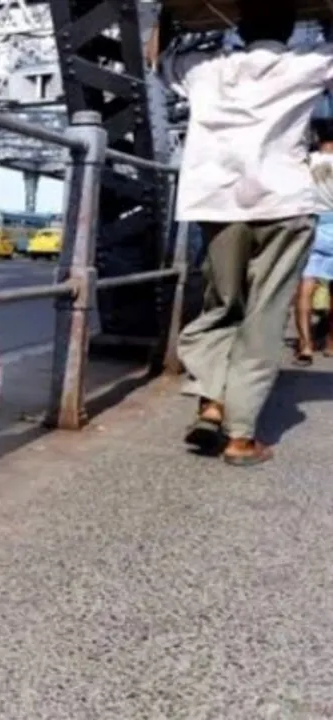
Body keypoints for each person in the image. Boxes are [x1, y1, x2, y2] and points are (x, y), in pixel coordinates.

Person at [168, 2, 329, 466]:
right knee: (264, 315)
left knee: (221, 305)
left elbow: (160, 63)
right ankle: (240, 437)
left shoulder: (204, 69)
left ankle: (210, 402)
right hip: (284, 202)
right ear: (289, 27)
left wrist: (170, 22)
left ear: (239, 26)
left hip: (218, 202)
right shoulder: (308, 63)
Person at [292, 118, 333, 365]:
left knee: (305, 287)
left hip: (312, 225)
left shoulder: (305, 162)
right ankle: (330, 343)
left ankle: (306, 345)